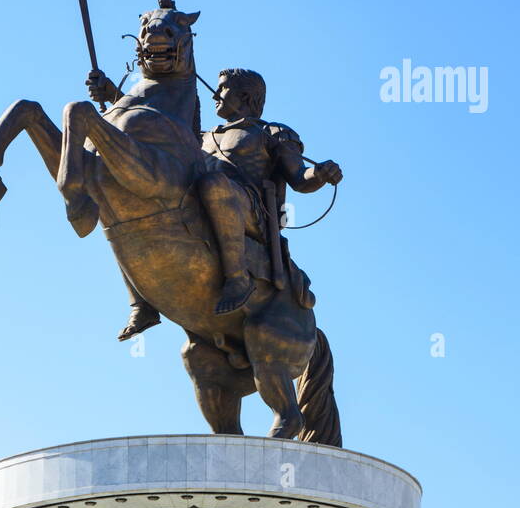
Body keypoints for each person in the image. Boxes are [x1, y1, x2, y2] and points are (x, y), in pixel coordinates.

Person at [86, 65, 342, 337]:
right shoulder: (204, 137)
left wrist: (321, 173)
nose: (215, 94)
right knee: (119, 196)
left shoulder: (271, 132)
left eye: (223, 88)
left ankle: (238, 279)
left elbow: (301, 178)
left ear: (245, 96)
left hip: (250, 211)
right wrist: (113, 95)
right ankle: (141, 301)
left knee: (214, 184)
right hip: (204, 203)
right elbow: (151, 126)